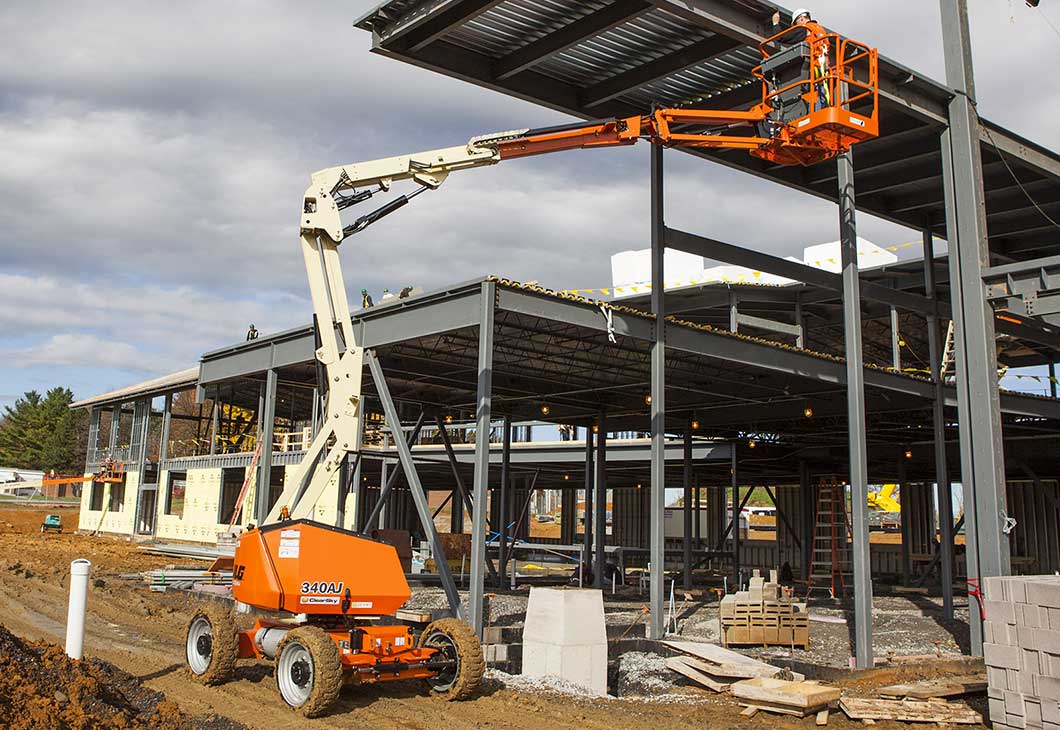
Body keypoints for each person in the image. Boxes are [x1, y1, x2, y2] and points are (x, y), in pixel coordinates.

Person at [770, 8, 830, 110]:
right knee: (822, 92)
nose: (796, 28)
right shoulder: (819, 29)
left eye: (796, 24)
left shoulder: (805, 29)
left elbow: (781, 37)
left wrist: (775, 23)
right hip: (823, 66)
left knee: (813, 92)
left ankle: (816, 113)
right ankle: (822, 110)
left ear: (801, 19)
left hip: (814, 66)